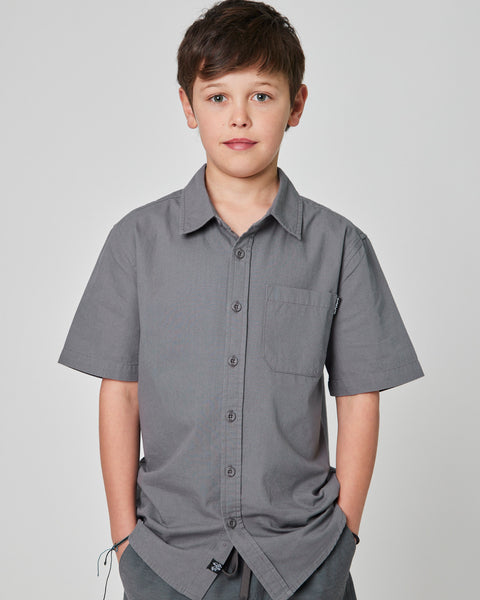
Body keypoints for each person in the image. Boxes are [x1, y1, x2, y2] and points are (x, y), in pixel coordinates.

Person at [58, 1, 425, 599]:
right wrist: (126, 543)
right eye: (217, 96)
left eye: (261, 95)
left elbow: (360, 397)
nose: (239, 117)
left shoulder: (340, 246)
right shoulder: (136, 242)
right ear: (188, 107)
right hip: (168, 561)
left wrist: (344, 538)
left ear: (296, 105)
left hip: (306, 561)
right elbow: (120, 393)